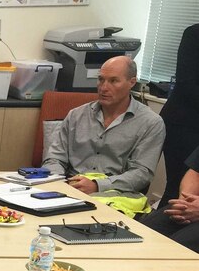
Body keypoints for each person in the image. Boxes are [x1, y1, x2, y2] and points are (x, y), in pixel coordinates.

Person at [42, 56, 165, 197]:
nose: (104, 88)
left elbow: (141, 174)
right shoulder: (77, 115)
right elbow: (54, 157)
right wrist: (58, 182)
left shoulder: (150, 123)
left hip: (114, 194)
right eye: (101, 79)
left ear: (132, 82)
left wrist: (97, 185)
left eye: (113, 81)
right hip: (70, 186)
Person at [158, 24, 199, 207]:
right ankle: (158, 232)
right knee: (178, 190)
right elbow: (187, 84)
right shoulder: (194, 34)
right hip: (184, 123)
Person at [142, 145, 199, 252]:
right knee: (142, 232)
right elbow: (195, 173)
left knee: (177, 247)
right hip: (195, 203)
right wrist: (184, 203)